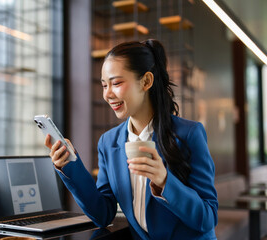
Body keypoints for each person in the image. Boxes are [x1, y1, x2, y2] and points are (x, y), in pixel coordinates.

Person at [44, 39, 218, 239]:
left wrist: (164, 181)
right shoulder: (108, 142)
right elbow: (103, 214)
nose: (108, 94)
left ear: (146, 81)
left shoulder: (189, 134)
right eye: (104, 85)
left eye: (116, 83)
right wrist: (70, 165)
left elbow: (208, 217)